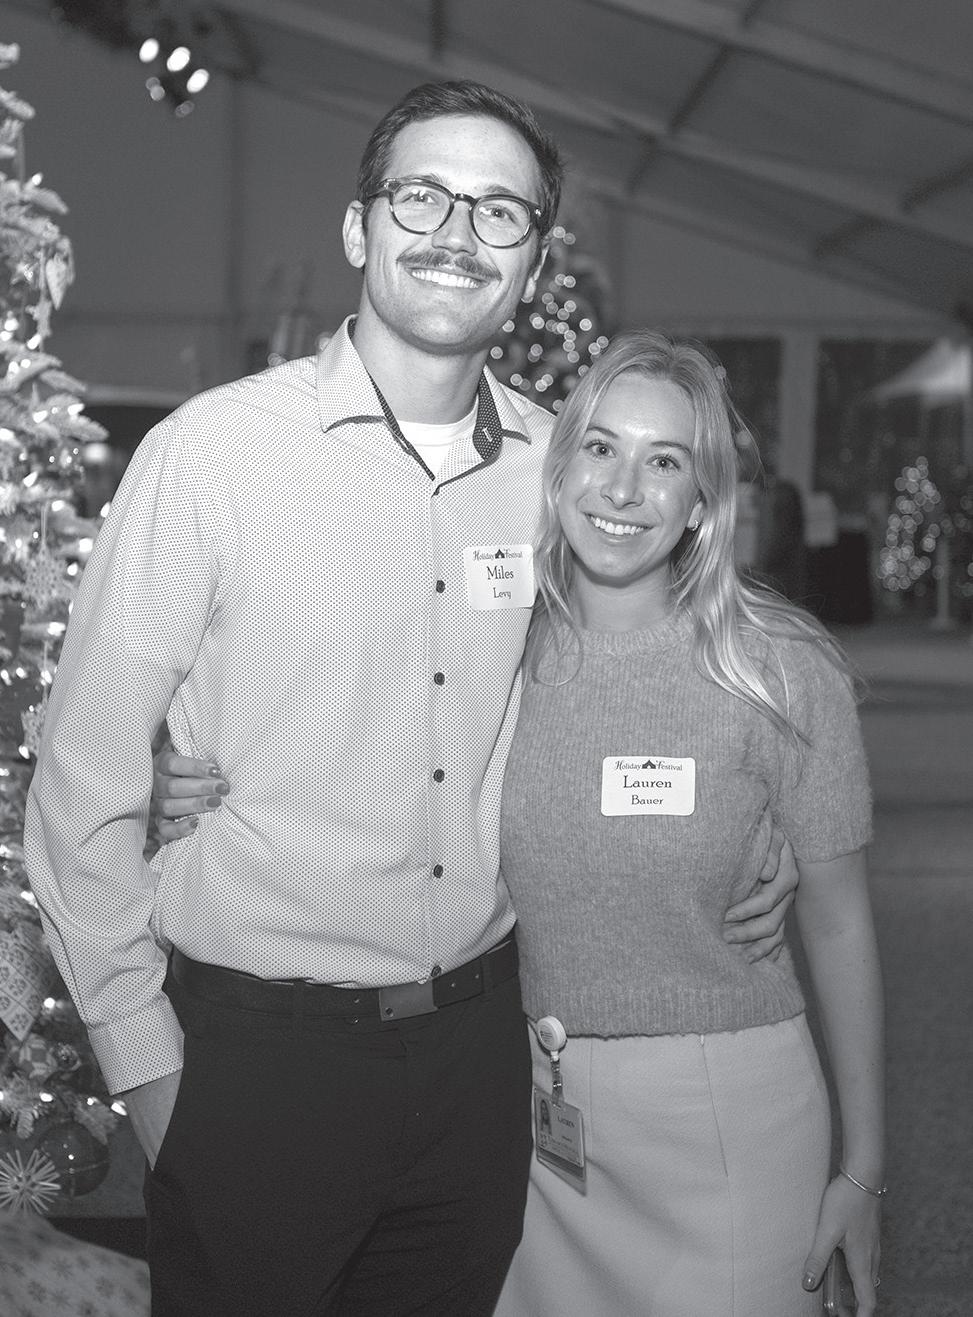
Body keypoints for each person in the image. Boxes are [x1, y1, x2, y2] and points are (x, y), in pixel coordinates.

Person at [25, 81, 793, 1317]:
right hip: (255, 1062)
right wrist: (146, 1067)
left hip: (478, 1057)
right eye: (422, 196)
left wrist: (753, 826)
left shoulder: (561, 471)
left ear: (531, 263)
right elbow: (82, 779)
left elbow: (650, 666)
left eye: (500, 212)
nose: (456, 234)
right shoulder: (211, 458)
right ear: (359, 227)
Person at [488, 332, 883, 1316]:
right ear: (559, 467)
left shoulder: (775, 667)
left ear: (703, 500)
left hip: (725, 1126)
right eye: (600, 448)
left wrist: (865, 1166)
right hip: (540, 1131)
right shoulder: (494, 651)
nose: (623, 488)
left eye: (663, 462)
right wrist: (187, 775)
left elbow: (840, 923)